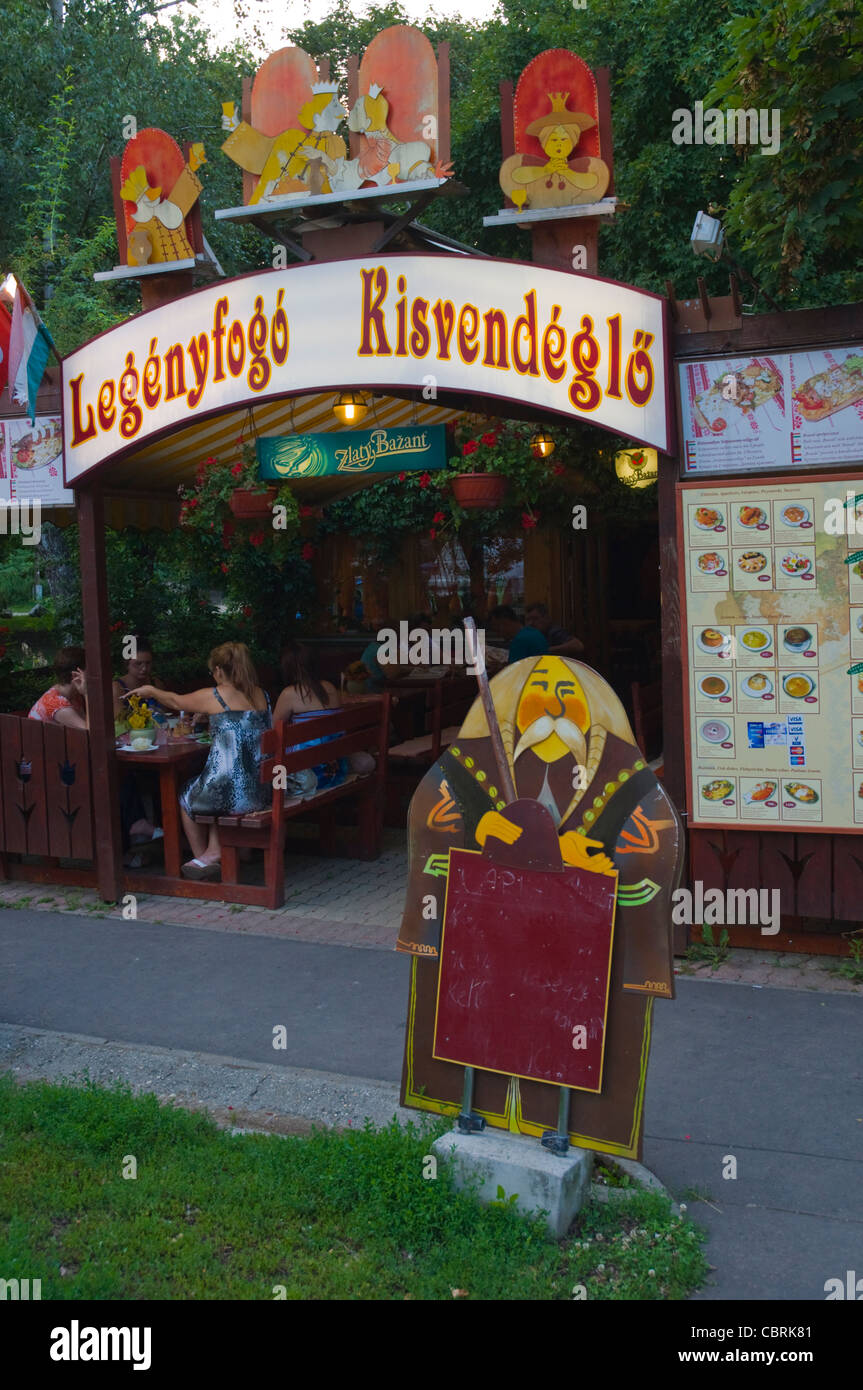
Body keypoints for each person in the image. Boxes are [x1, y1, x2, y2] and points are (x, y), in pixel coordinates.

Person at [127, 641, 271, 881]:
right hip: (262, 789)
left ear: (218, 670)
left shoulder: (215, 695)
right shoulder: (261, 694)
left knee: (186, 793)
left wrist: (151, 691)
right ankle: (235, 850)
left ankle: (204, 858)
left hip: (235, 795)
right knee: (211, 786)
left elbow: (175, 701)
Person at [273, 640, 349, 792]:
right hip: (336, 769)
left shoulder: (289, 693)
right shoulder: (329, 687)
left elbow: (272, 729)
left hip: (311, 772)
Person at [29, 647, 88, 728]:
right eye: (90, 671)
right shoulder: (58, 705)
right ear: (76, 675)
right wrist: (86, 694)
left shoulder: (73, 694)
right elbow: (92, 732)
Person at [113, 636, 167, 721]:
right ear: (127, 664)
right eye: (138, 664)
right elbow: (120, 723)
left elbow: (164, 717)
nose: (144, 668)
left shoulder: (156, 684)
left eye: (148, 663)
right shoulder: (118, 687)